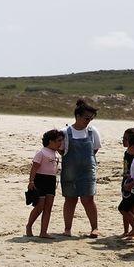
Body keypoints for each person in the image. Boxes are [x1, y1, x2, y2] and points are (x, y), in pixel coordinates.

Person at [59, 99, 102, 237]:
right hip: (69, 171)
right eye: (86, 118)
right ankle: (67, 229)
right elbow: (61, 151)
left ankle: (95, 228)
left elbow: (95, 149)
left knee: (88, 199)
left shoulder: (92, 131)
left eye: (91, 119)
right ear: (77, 116)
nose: (88, 121)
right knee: (70, 199)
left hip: (87, 171)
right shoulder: (65, 132)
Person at [26, 129, 63, 238]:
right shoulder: (41, 153)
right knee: (40, 206)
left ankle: (43, 231)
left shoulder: (56, 154)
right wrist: (31, 181)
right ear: (50, 141)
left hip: (51, 180)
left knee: (48, 207)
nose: (60, 143)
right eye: (58, 140)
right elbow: (34, 168)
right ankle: (29, 226)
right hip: (40, 179)